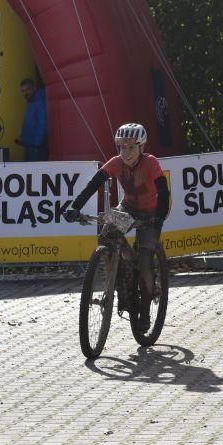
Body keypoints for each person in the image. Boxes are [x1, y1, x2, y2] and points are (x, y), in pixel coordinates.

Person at [66, 122, 171, 330]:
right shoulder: (115, 163)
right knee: (107, 233)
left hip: (151, 213)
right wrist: (75, 206)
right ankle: (120, 273)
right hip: (128, 208)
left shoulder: (150, 162)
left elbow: (163, 191)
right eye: (122, 147)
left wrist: (158, 218)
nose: (126, 152)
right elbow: (93, 185)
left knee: (145, 260)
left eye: (131, 147)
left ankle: (144, 309)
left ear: (141, 147)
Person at [17, 78, 48, 162]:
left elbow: (43, 125)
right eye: (23, 91)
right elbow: (32, 122)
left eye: (27, 90)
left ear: (34, 88)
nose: (25, 93)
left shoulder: (39, 102)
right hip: (30, 146)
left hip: (36, 148)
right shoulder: (31, 102)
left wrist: (36, 144)